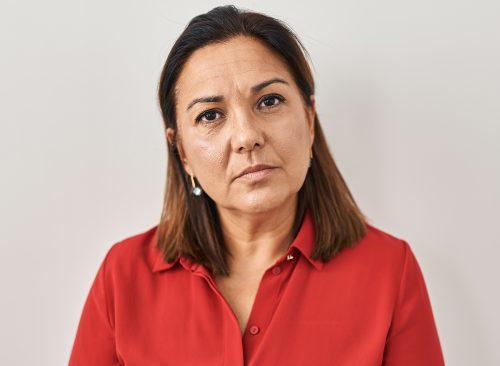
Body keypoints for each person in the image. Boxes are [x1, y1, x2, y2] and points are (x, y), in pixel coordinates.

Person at [69, 5, 445, 365]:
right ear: (182, 151)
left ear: (309, 119)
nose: (247, 136)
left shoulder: (388, 271)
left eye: (269, 101)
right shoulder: (123, 277)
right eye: (211, 115)